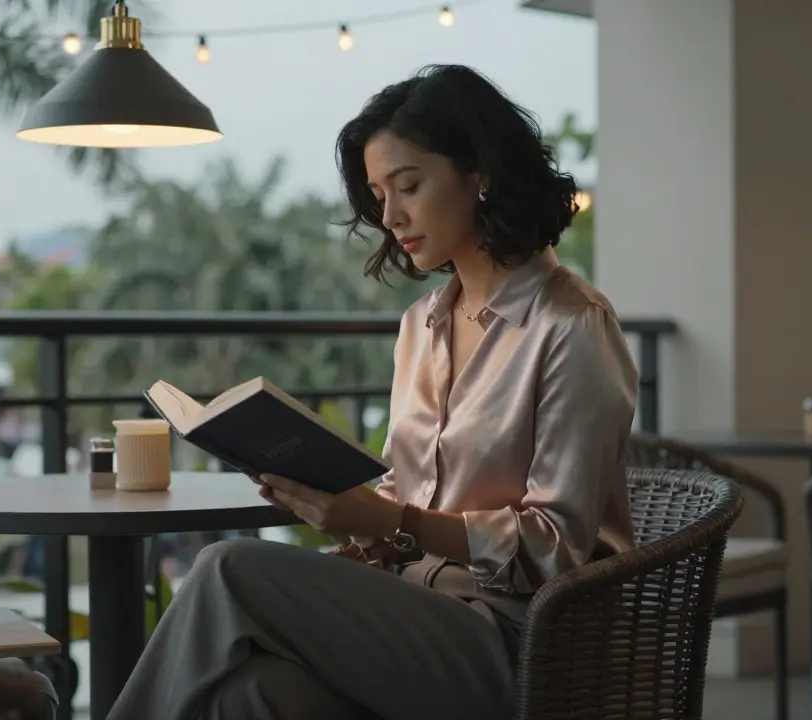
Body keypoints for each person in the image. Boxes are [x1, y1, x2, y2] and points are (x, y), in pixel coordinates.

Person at [105, 64, 640, 720]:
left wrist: (395, 522)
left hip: (522, 642)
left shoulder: (573, 325)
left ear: (481, 174)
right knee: (252, 695)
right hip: (409, 611)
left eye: (408, 186)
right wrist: (354, 519)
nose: (389, 216)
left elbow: (556, 549)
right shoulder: (423, 326)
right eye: (379, 193)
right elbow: (404, 497)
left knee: (227, 570)